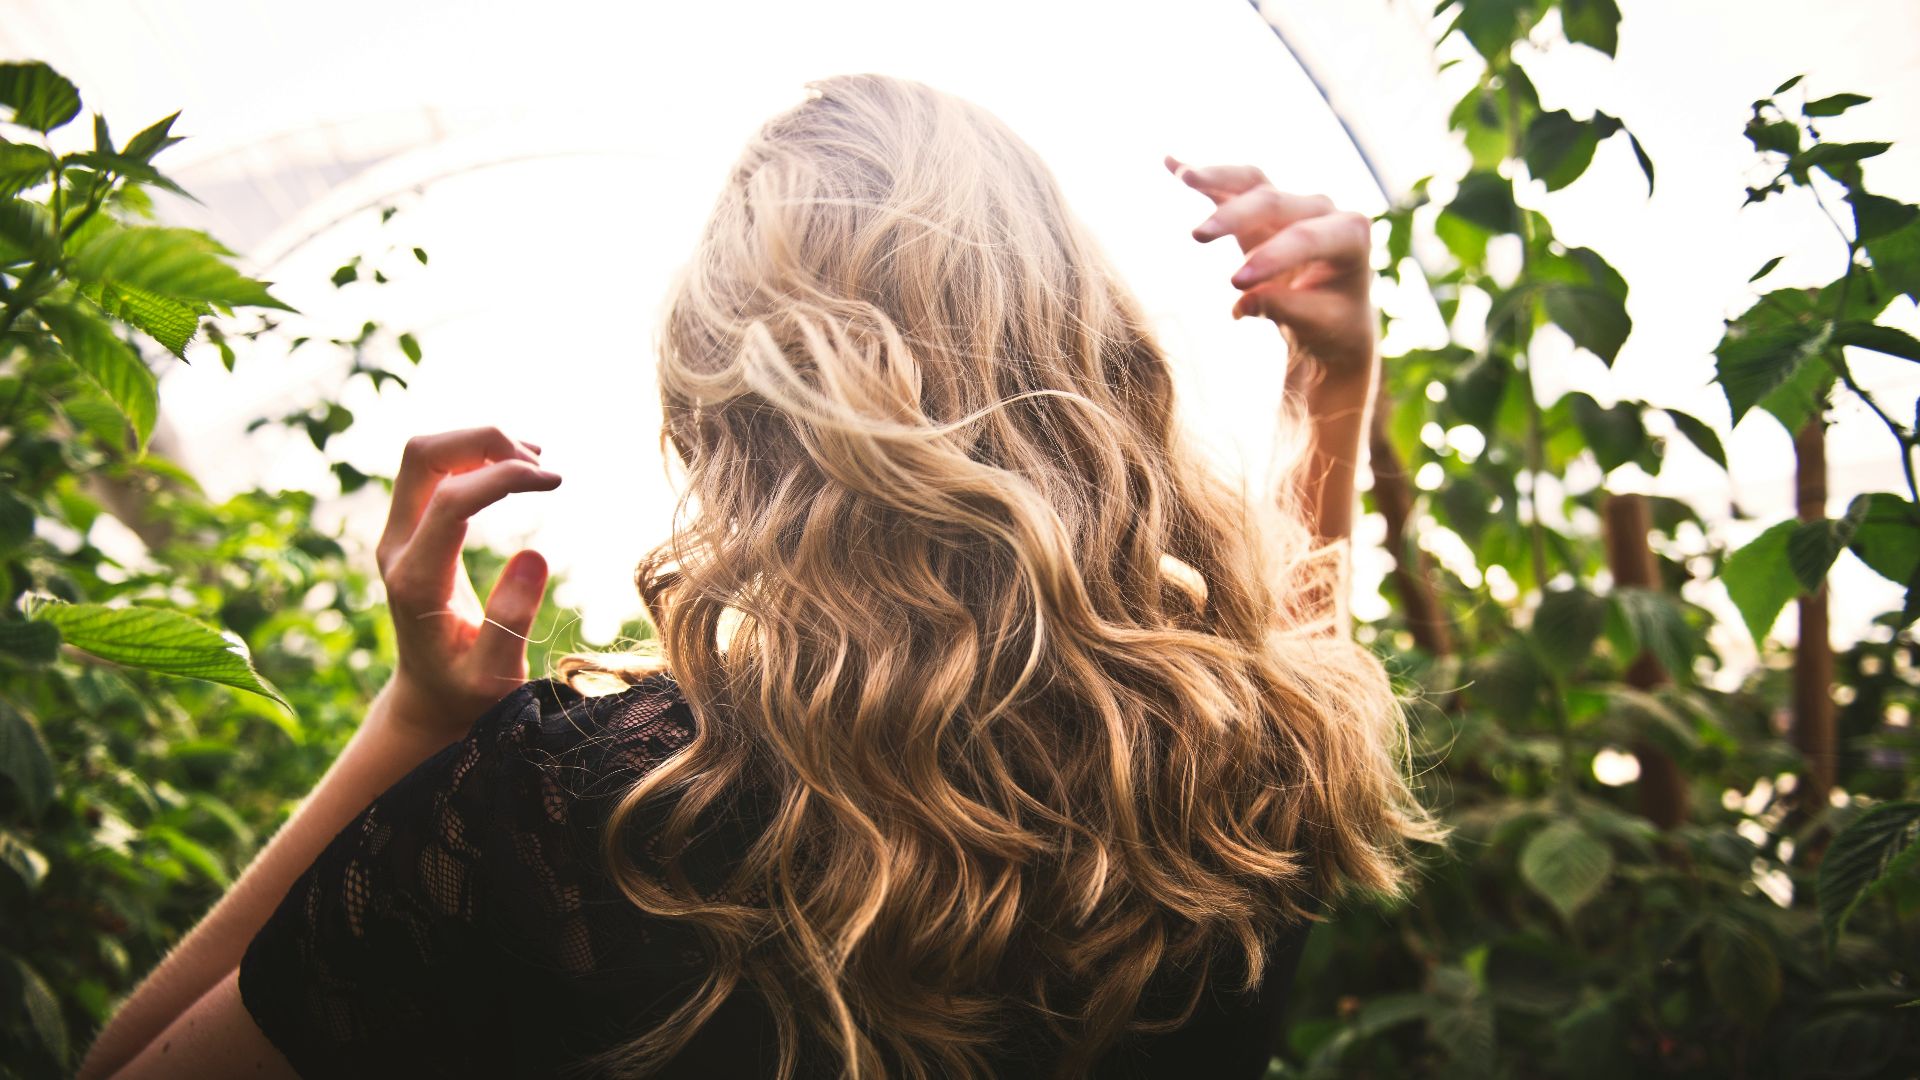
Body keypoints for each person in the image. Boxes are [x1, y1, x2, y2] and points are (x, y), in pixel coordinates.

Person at [78, 73, 1438, 1079]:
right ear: (1086, 352)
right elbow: (1289, 652)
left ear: (724, 410)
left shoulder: (582, 817)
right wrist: (1330, 383)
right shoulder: (1248, 772)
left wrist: (418, 725)